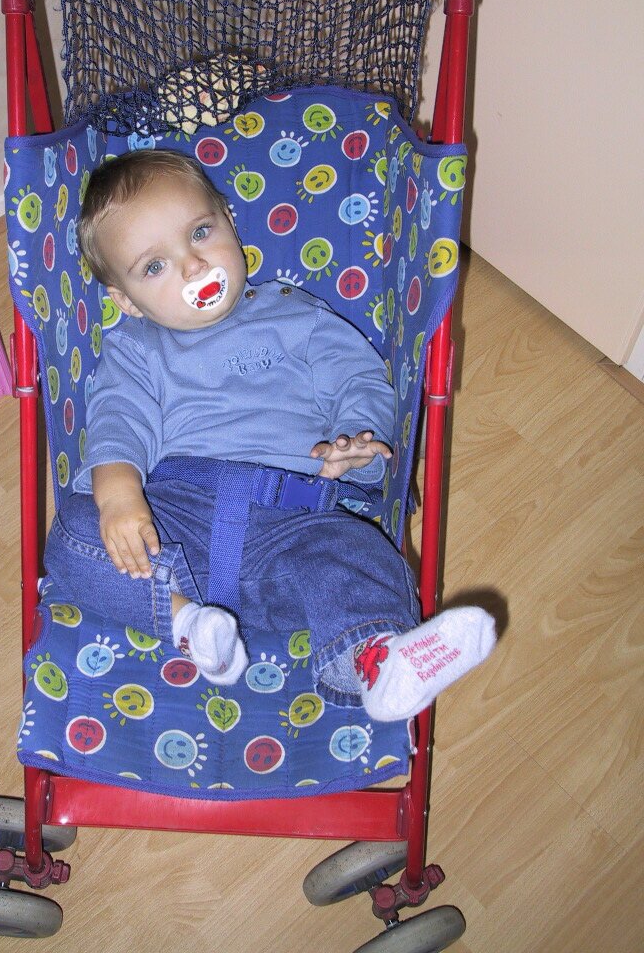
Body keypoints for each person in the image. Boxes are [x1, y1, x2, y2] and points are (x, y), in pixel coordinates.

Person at [47, 149, 495, 723]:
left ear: (230, 222)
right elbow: (118, 420)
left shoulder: (294, 314)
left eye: (200, 233)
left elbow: (358, 380)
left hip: (298, 520)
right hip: (179, 524)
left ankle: (379, 661)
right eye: (154, 266)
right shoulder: (135, 349)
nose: (192, 266)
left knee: (358, 555)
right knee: (73, 534)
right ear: (126, 301)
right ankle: (188, 624)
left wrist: (355, 444)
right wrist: (117, 497)